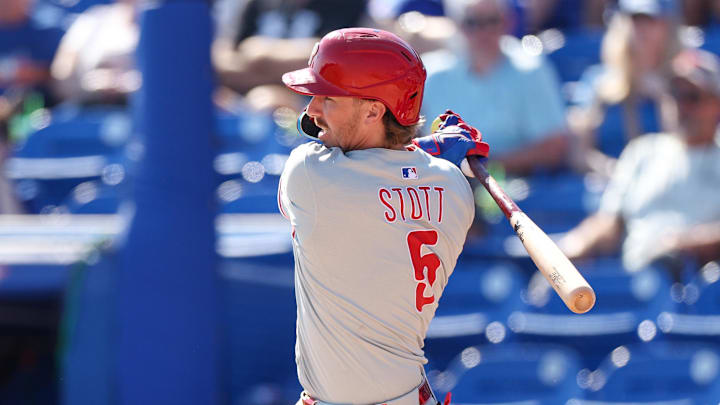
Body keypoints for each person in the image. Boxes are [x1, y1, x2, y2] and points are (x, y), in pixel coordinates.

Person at [278, 28, 489, 405]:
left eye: (328, 98)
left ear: (374, 110)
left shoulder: (310, 176)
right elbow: (394, 170)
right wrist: (430, 152)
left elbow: (369, 174)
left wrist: (429, 147)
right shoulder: (456, 190)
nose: (311, 110)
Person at [560, 48, 720, 276]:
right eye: (675, 95)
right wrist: (572, 247)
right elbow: (609, 223)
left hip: (702, 283)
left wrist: (688, 242)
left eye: (692, 97)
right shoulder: (642, 151)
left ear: (716, 103)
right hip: (640, 282)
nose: (682, 106)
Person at [422, 0, 569, 175]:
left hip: (516, 184)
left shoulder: (530, 69)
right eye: (472, 22)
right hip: (446, 183)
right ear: (457, 26)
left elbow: (554, 147)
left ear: (508, 22)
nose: (483, 31)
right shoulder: (432, 75)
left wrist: (484, 168)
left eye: (492, 21)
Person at [567, 0, 683, 178]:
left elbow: (685, 149)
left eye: (651, 21)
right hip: (608, 185)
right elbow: (580, 154)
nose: (642, 29)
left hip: (665, 186)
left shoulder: (684, 81)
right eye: (636, 21)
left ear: (667, 26)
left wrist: (663, 98)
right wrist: (612, 170)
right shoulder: (598, 82)